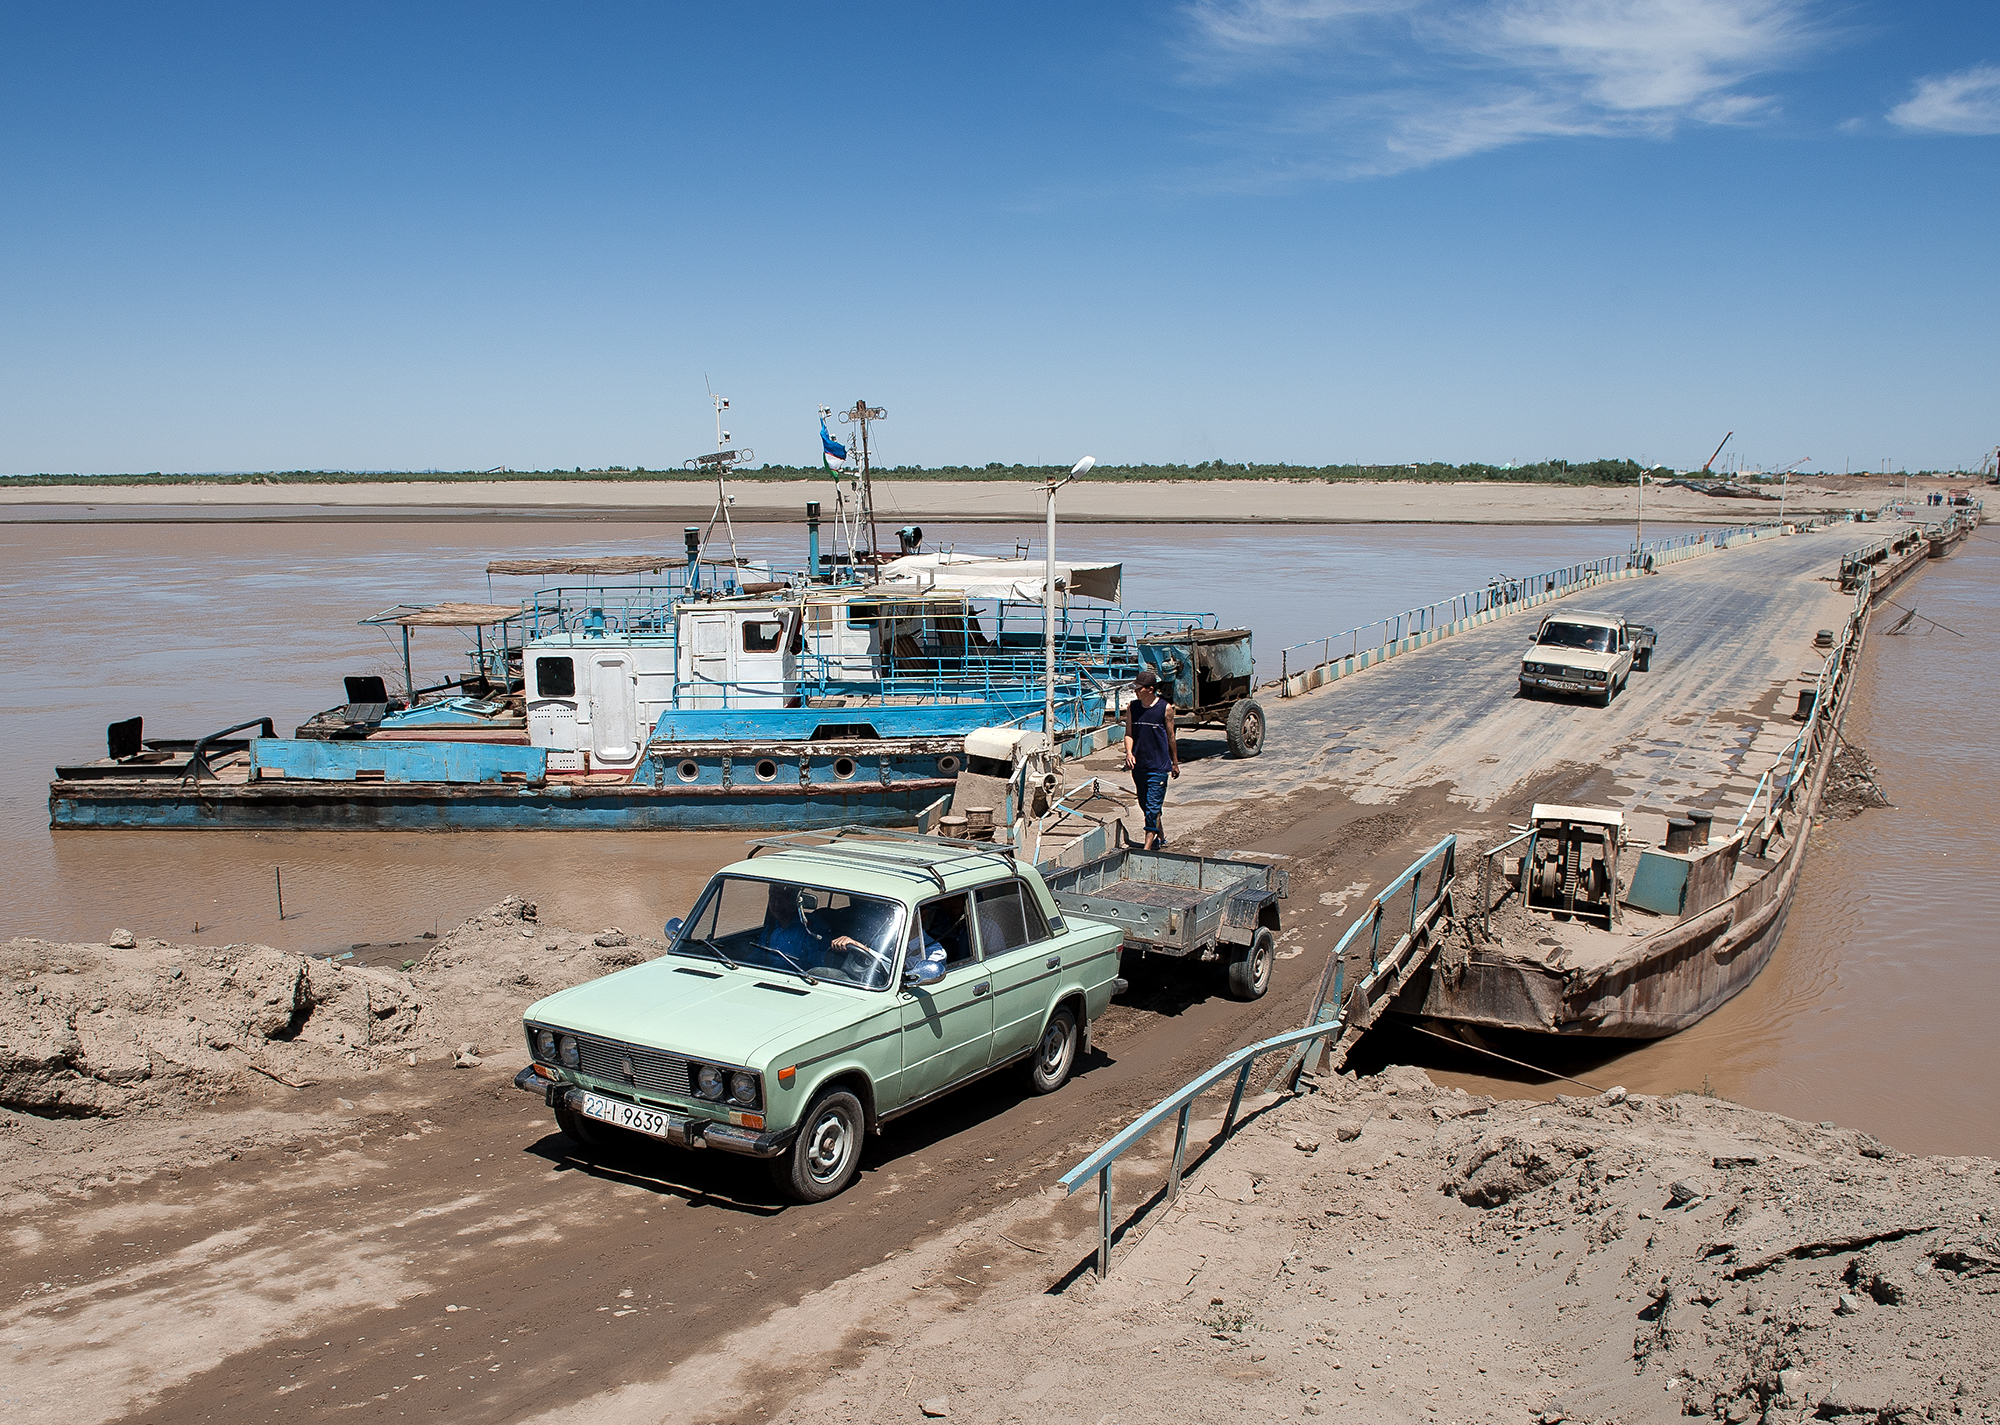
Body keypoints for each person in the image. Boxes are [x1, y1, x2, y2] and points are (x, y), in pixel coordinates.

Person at [1122, 667, 1179, 849]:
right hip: (1139, 766)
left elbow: (1171, 737)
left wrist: (1174, 763)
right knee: (1144, 804)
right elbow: (1129, 733)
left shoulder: (1165, 709)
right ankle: (1160, 835)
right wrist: (1129, 753)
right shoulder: (1133, 707)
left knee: (1152, 807)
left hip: (1159, 766)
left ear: (1150, 689)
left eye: (1139, 688)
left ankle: (1148, 847)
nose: (1136, 691)